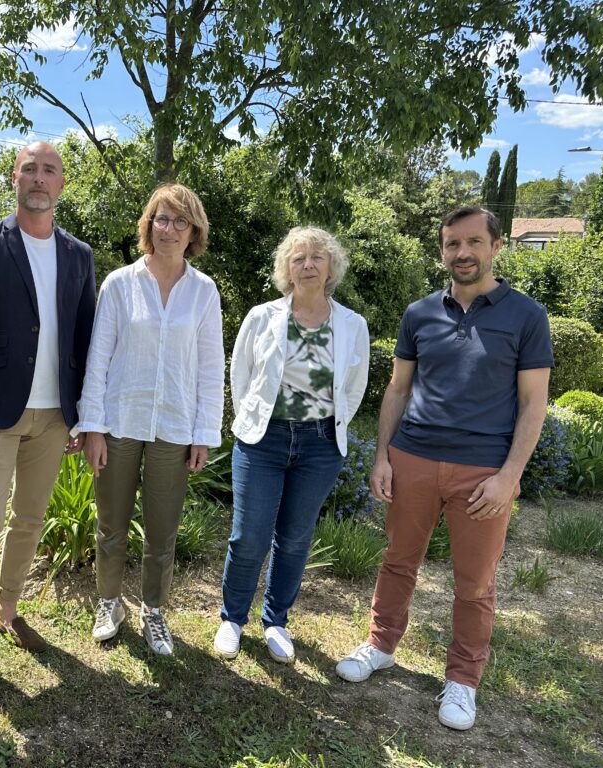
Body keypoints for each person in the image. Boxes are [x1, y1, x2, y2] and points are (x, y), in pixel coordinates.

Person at [335, 206, 553, 731]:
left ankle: (462, 679)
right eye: (452, 243)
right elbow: (398, 389)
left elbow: (533, 403)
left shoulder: (527, 316)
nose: (462, 252)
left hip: (483, 473)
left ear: (496, 246)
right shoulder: (419, 314)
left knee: (475, 582)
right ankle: (380, 645)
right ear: (442, 250)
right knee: (397, 561)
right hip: (413, 458)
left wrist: (509, 476)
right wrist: (383, 456)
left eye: (473, 242)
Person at [0, 141, 96, 695]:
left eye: (49, 170)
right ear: (14, 177)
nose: (38, 177)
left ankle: (7, 611)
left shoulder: (78, 254)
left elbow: (86, 338)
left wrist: (85, 415)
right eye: (29, 168)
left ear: (61, 184)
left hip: (55, 415)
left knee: (29, 519)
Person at [78, 183, 224, 655]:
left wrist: (204, 433)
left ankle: (153, 610)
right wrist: (92, 426)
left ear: (193, 231)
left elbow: (210, 367)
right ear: (148, 225)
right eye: (162, 218)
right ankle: (109, 602)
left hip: (175, 426)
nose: (170, 229)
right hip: (120, 420)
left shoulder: (203, 292)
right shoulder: (120, 283)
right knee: (111, 525)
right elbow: (98, 359)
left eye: (181, 221)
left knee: (162, 532)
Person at [213, 227, 369, 664]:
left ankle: (276, 621)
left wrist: (332, 426)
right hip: (263, 440)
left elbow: (354, 385)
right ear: (287, 268)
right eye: (298, 258)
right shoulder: (261, 317)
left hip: (320, 445)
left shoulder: (352, 324)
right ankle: (233, 618)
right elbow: (241, 373)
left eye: (317, 257)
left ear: (331, 266)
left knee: (296, 537)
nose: (308, 265)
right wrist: (250, 422)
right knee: (249, 535)